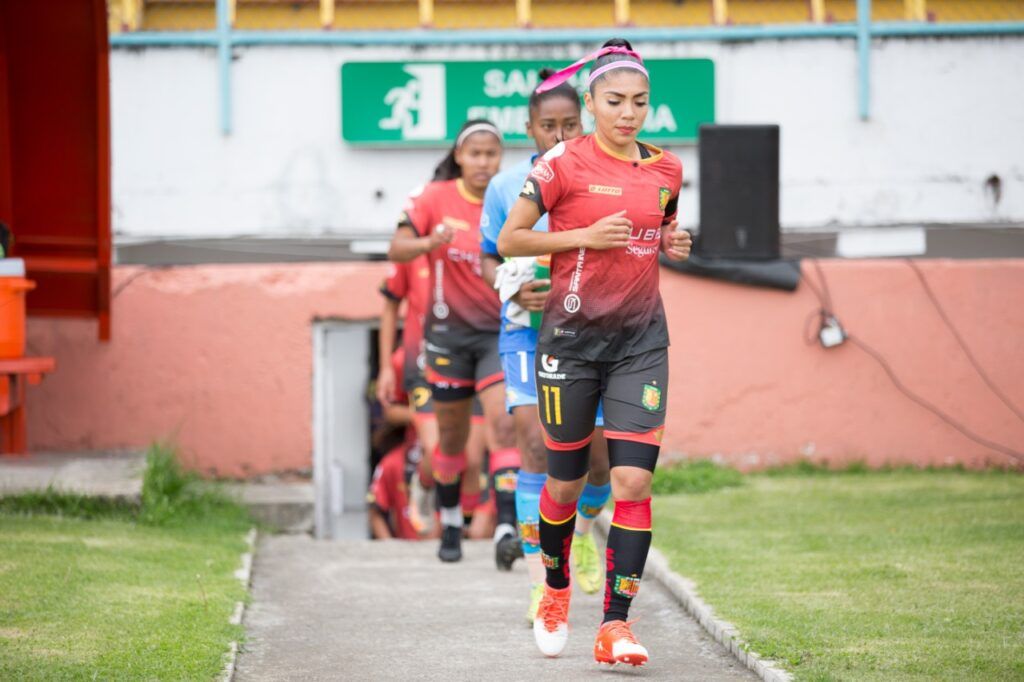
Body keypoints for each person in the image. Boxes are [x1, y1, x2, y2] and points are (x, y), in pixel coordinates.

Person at [497, 39, 693, 666]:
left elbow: (658, 226)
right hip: (572, 344)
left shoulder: (666, 168)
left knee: (633, 479)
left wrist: (672, 241)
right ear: (591, 101)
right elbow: (509, 239)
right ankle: (555, 587)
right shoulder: (560, 164)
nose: (628, 113)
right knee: (565, 479)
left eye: (639, 102)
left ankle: (615, 625)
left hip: (641, 342)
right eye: (614, 101)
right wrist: (581, 234)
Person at [479, 68, 612, 625]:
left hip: (592, 333)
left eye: (569, 125)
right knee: (534, 446)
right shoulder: (506, 186)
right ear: (529, 128)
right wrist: (512, 283)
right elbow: (491, 253)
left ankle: (581, 529)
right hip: (525, 335)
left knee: (599, 462)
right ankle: (541, 583)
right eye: (546, 126)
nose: (558, 136)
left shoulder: (605, 177)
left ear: (583, 122)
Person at [388, 119, 522, 566]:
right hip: (447, 336)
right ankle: (449, 520)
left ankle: (505, 526)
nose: (484, 162)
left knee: (504, 427)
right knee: (451, 441)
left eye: (492, 154)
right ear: (459, 156)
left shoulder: (510, 195)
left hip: (498, 331)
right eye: (476, 153)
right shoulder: (433, 197)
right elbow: (397, 249)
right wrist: (430, 240)